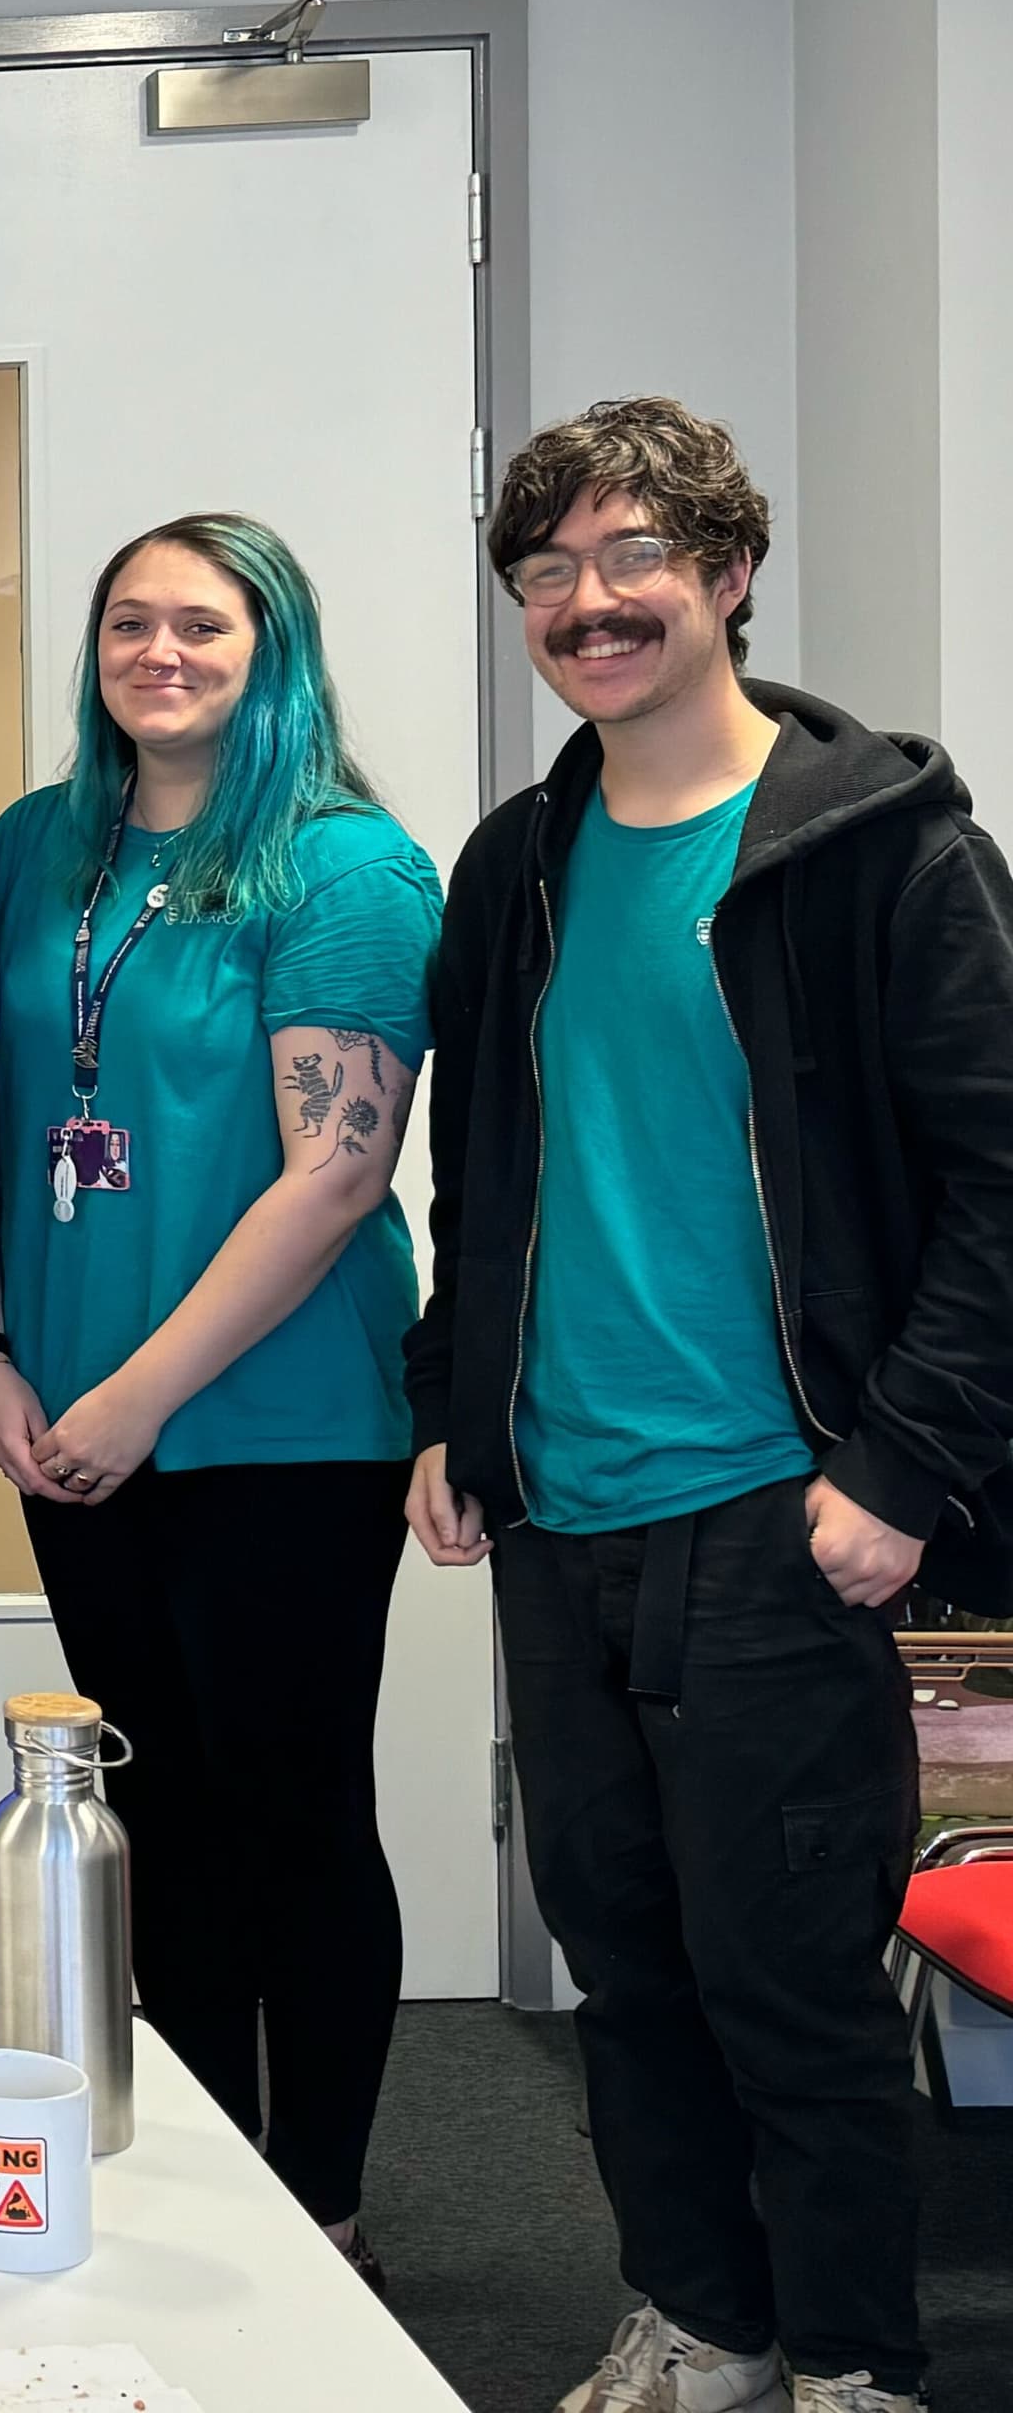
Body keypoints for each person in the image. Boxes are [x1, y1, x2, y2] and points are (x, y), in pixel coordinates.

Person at [409, 398, 1013, 2413]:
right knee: (630, 1969)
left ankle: (851, 2358)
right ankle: (704, 2316)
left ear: (728, 573)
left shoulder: (880, 852)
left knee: (787, 1984)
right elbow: (481, 1174)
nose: (590, 604)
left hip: (787, 1513)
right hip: (564, 1510)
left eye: (630, 559)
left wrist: (906, 1464)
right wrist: (453, 1411)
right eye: (549, 572)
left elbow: (1003, 1178)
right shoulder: (521, 867)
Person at [0, 514, 438, 2279]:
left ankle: (327, 2208)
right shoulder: (32, 847)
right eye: (128, 624)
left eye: (203, 626)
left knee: (291, 1808)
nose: (160, 652)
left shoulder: (344, 867)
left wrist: (134, 1397)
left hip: (285, 1429)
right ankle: (209, 2169)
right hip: (70, 1427)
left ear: (273, 650)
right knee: (151, 1830)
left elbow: (334, 1178)